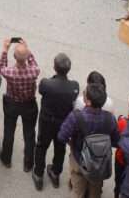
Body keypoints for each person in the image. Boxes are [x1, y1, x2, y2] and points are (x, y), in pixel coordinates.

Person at [57, 83, 118, 198]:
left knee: (78, 191)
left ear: (88, 102)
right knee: (95, 192)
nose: (83, 94)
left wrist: (71, 144)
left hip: (79, 159)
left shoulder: (76, 117)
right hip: (100, 164)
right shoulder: (110, 118)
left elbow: (61, 136)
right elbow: (115, 141)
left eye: (85, 94)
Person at [32, 52, 81, 190]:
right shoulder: (74, 86)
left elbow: (40, 90)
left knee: (41, 146)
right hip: (63, 123)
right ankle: (55, 173)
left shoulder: (46, 84)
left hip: (47, 121)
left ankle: (38, 174)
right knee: (60, 148)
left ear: (54, 67)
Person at [0, 38, 40, 172]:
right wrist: (27, 49)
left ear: (14, 58)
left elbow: (0, 67)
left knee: (9, 131)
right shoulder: (34, 72)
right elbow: (33, 62)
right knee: (29, 134)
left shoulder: (9, 72)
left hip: (12, 103)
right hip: (29, 104)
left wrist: (5, 49)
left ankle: (6, 159)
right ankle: (28, 164)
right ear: (26, 57)